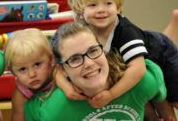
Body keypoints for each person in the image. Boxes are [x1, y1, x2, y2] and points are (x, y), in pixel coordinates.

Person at [64, 0, 178, 119]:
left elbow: (138, 70)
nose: (101, 9)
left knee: (173, 98)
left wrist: (111, 94)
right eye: (93, 4)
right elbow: (58, 66)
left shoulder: (126, 32)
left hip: (161, 53)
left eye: (108, 3)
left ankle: (174, 25)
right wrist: (67, 88)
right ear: (80, 12)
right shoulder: (82, 32)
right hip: (129, 58)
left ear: (118, 7)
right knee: (144, 98)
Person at [24, 21, 168, 120]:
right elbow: (29, 111)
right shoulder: (55, 110)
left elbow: (157, 83)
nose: (88, 63)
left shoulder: (142, 81)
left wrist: (161, 113)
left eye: (93, 51)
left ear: (104, 51)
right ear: (62, 70)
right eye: (75, 59)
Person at [3, 28, 55, 121]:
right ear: (12, 71)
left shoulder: (58, 74)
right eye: (22, 69)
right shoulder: (21, 93)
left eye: (37, 64)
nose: (32, 74)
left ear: (51, 59)